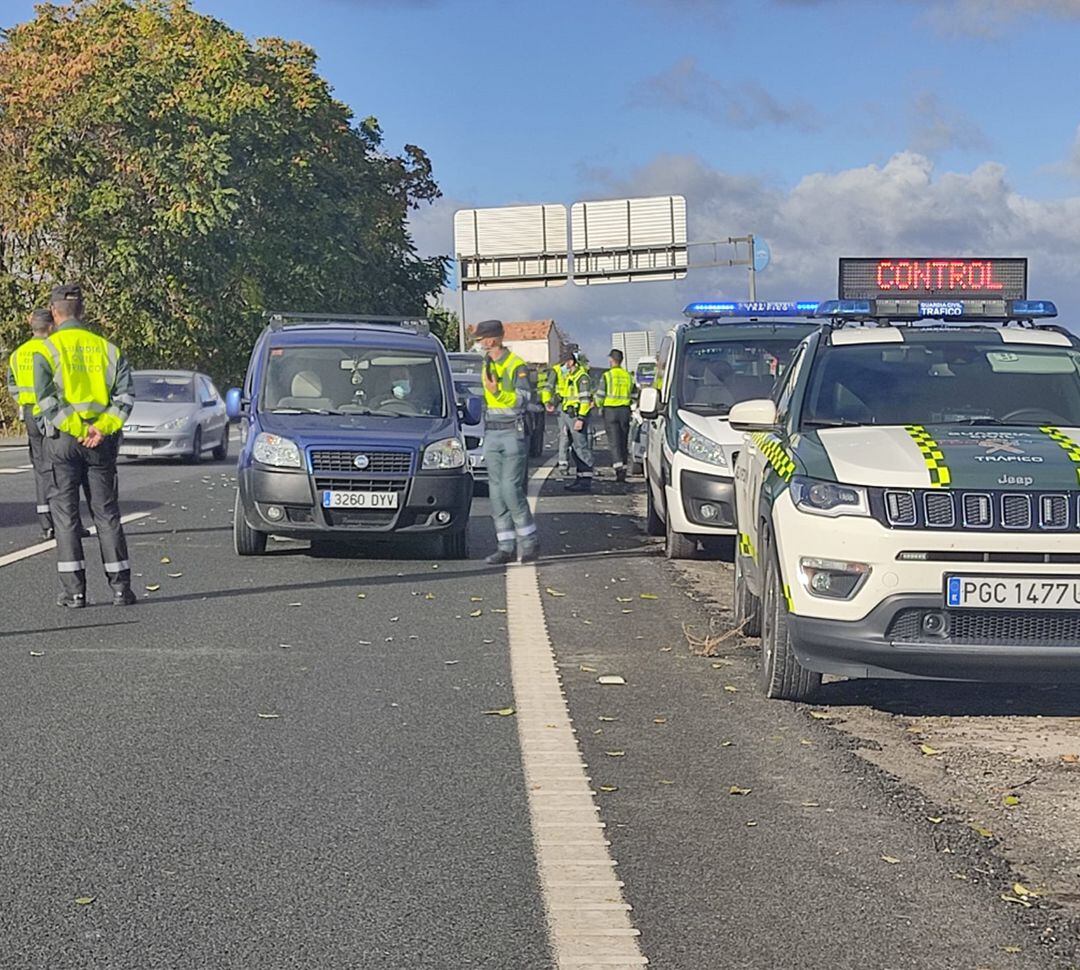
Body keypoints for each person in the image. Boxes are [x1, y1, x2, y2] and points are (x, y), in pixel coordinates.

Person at [33, 283, 137, 608]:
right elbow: (125, 398)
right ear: (84, 311)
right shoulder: (108, 349)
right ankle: (121, 589)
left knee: (65, 516)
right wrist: (99, 429)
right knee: (106, 514)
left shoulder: (46, 350)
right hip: (101, 443)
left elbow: (46, 401)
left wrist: (77, 428)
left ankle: (74, 593)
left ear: (53, 312)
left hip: (64, 441)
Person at [474, 319, 539, 564]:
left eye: (481, 339)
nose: (479, 343)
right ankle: (505, 546)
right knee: (496, 493)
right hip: (492, 433)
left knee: (511, 490)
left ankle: (530, 543)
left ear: (492, 339)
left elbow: (523, 400)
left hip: (513, 434)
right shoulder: (486, 364)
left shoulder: (516, 366)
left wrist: (497, 392)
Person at [7, 309, 59, 539]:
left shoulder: (18, 354)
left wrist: (25, 402)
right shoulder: (53, 350)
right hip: (52, 413)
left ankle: (45, 523)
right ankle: (65, 522)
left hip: (29, 413)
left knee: (40, 467)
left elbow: (13, 386)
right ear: (50, 326)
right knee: (60, 468)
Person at [556, 349, 595, 492]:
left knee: (581, 448)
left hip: (577, 417)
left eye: (564, 364)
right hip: (569, 415)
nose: (562, 367)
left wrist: (581, 418)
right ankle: (580, 479)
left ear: (571, 362)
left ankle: (585, 481)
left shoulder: (581, 377)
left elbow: (585, 400)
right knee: (575, 450)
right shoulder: (570, 377)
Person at [600, 348, 634, 483]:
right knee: (623, 440)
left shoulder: (608, 376)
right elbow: (634, 394)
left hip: (610, 411)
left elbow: (600, 395)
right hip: (625, 410)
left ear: (611, 360)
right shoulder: (628, 376)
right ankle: (624, 469)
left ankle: (618, 468)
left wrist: (596, 404)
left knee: (614, 442)